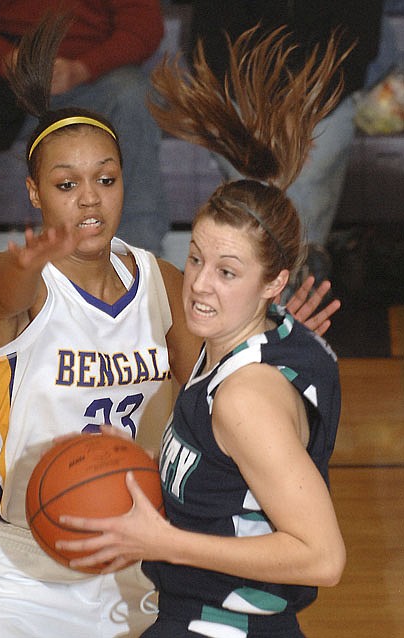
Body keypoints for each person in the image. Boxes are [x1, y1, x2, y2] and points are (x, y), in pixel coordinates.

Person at [0, 14, 340, 638]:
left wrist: (267, 330)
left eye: (106, 179)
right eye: (67, 185)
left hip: (138, 560)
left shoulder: (162, 281)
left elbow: (213, 384)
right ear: (35, 193)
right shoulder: (18, 281)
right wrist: (23, 267)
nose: (90, 198)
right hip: (19, 567)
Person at [56, 26, 347, 638]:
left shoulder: (246, 396)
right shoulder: (263, 343)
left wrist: (165, 541)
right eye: (196, 259)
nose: (200, 284)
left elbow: (323, 557)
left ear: (275, 283)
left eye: (228, 271)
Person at [0, 0, 168, 288]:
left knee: (135, 97)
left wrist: (83, 68)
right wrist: (9, 60)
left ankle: (139, 266)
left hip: (93, 77)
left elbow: (143, 26)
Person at [184, 0, 384, 284]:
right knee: (264, 172)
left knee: (302, 172)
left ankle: (277, 287)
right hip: (243, 99)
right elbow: (211, 49)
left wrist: (302, 108)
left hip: (324, 101)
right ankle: (290, 281)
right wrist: (268, 112)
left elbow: (355, 50)